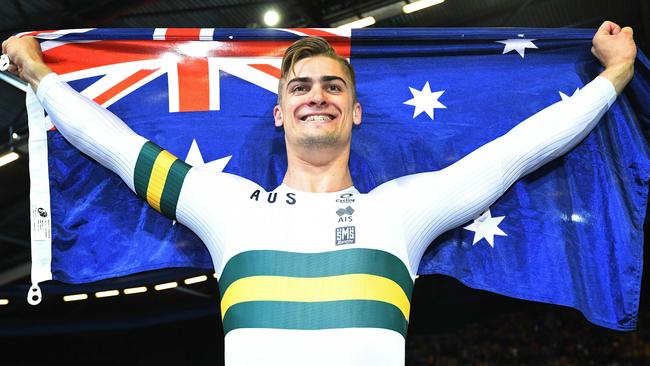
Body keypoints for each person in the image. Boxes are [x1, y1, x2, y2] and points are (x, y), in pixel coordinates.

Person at [2, 21, 637, 366]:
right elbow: (115, 147)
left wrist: (615, 74)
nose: (316, 97)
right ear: (279, 113)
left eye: (333, 87)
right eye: (300, 87)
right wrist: (37, 75)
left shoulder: (403, 210)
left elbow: (518, 150)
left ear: (355, 112)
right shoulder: (226, 208)